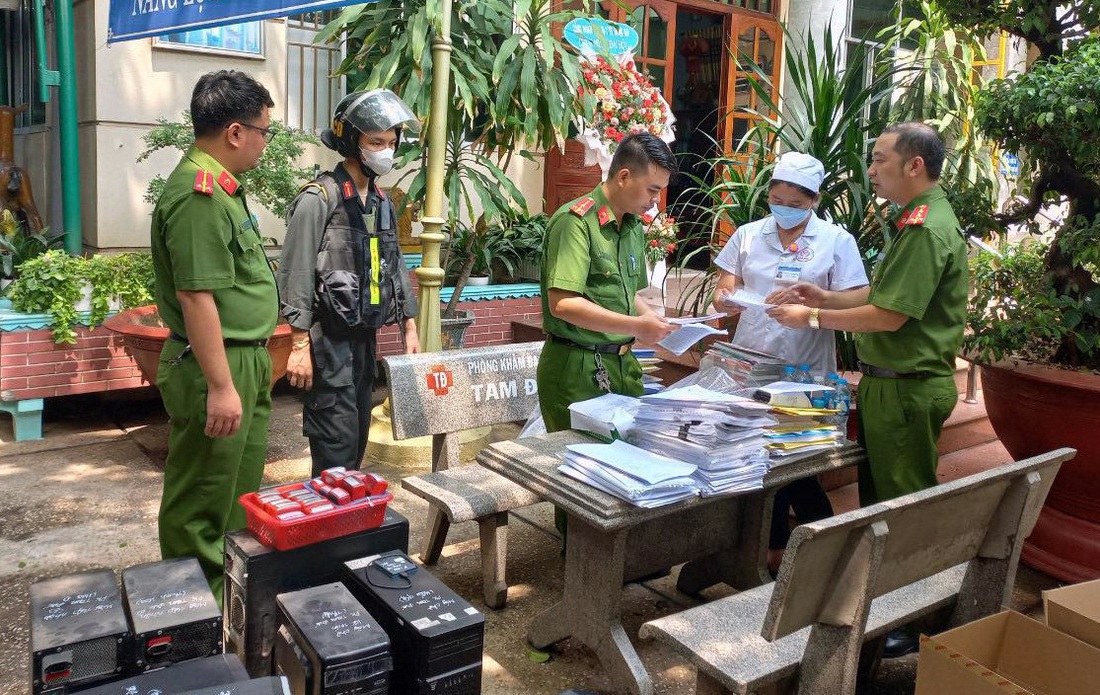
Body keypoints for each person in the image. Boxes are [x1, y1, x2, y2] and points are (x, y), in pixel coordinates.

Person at [767, 123, 967, 657]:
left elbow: (892, 316)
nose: (871, 170)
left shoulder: (926, 229)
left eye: (879, 161)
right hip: (887, 387)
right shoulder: (913, 224)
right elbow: (880, 296)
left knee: (904, 509)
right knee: (882, 507)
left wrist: (810, 315)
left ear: (914, 166)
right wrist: (825, 299)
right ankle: (889, 608)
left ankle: (920, 618)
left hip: (907, 389)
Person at [150, 70, 279, 601]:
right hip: (215, 367)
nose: (265, 143)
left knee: (235, 496)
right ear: (234, 131)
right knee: (202, 500)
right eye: (263, 132)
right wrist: (222, 386)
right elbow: (197, 298)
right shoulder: (200, 196)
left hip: (240, 361)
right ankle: (190, 612)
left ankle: (225, 605)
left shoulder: (222, 191)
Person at [711, 151, 869, 572]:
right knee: (758, 456)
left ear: (815, 200)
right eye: (777, 199)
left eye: (796, 204)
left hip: (804, 369)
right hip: (748, 365)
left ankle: (794, 547)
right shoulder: (748, 234)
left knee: (795, 459)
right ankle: (780, 547)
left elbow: (859, 296)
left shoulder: (836, 241)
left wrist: (816, 299)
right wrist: (727, 300)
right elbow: (725, 286)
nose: (784, 209)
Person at [277, 89, 421, 478]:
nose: (385, 151)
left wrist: (409, 324)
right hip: (328, 343)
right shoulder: (319, 197)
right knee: (334, 450)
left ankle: (347, 528)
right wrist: (298, 345)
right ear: (349, 141)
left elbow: (393, 263)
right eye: (376, 142)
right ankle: (327, 531)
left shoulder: (381, 201)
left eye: (391, 143)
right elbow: (295, 273)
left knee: (356, 442)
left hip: (363, 343)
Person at [536, 132, 678, 432]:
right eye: (653, 190)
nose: (655, 202)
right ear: (624, 176)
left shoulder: (632, 226)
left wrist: (648, 317)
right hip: (578, 365)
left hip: (623, 364)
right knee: (581, 468)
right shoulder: (574, 223)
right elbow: (563, 304)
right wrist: (637, 327)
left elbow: (629, 293)